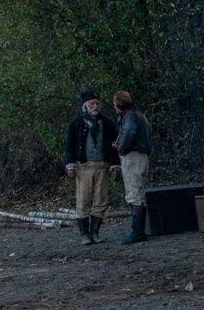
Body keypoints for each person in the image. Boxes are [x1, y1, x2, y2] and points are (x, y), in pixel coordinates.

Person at [64, 91, 120, 245]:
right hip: (84, 167)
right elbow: (69, 146)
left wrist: (115, 165)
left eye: (97, 104)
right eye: (91, 104)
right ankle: (84, 234)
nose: (95, 106)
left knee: (101, 200)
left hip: (102, 165)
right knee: (83, 200)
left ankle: (95, 232)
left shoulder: (107, 123)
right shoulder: (76, 123)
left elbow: (114, 146)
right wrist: (70, 165)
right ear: (85, 106)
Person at [113, 91, 153, 245]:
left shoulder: (129, 116)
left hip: (133, 157)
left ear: (118, 104)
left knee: (134, 193)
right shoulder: (139, 115)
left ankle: (137, 232)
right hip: (142, 156)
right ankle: (138, 231)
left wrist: (121, 148)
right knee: (138, 192)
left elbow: (129, 132)